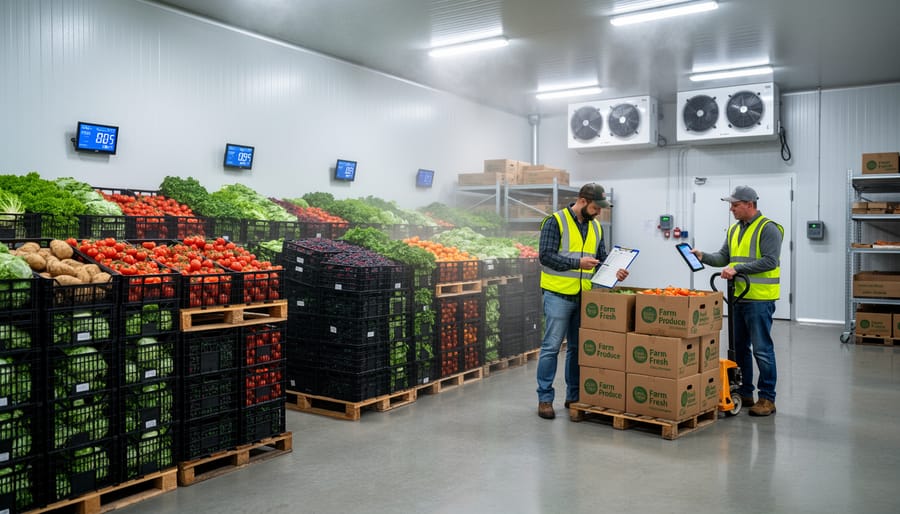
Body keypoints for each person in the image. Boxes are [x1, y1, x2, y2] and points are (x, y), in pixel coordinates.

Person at [536, 183, 628, 420]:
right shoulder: (555, 222)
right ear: (583, 201)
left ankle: (573, 396)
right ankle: (545, 399)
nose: (599, 213)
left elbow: (602, 259)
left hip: (584, 296)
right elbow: (545, 257)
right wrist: (577, 264)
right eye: (597, 208)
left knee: (577, 349)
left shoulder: (596, 227)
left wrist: (615, 271)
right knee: (551, 348)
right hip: (557, 295)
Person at [691, 185, 784, 416]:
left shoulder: (768, 228)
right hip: (738, 298)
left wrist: (737, 268)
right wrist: (702, 256)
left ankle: (767, 398)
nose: (731, 209)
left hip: (759, 300)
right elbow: (724, 257)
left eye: (735, 205)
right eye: (730, 205)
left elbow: (770, 261)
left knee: (762, 350)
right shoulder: (734, 230)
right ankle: (744, 392)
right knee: (739, 348)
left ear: (749, 204)